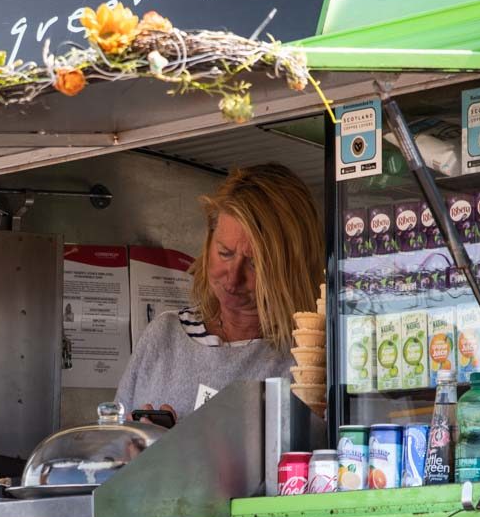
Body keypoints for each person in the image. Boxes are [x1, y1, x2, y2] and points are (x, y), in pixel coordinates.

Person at [116, 163, 324, 418]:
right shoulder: (163, 336)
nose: (232, 278)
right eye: (225, 253)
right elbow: (109, 446)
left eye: (255, 264)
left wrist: (171, 453)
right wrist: (139, 448)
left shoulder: (307, 360)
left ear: (291, 269)